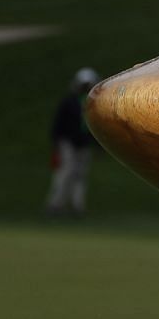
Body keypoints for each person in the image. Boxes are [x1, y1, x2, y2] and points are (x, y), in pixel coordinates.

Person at [45, 66, 99, 217]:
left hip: (84, 144)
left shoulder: (91, 103)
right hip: (67, 142)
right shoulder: (69, 102)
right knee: (65, 172)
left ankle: (78, 206)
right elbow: (58, 125)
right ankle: (56, 204)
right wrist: (56, 143)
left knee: (80, 174)